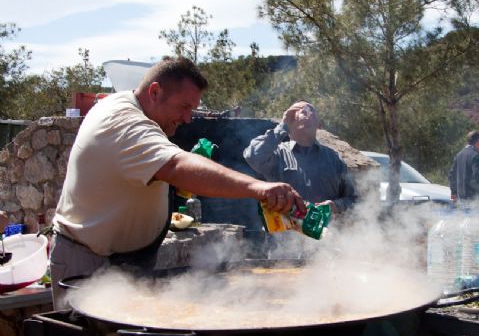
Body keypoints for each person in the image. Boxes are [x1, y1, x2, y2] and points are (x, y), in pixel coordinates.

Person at [50, 56, 304, 310]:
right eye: (184, 106)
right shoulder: (123, 122)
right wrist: (257, 188)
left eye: (192, 108)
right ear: (155, 91)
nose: (188, 118)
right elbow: (176, 166)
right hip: (89, 263)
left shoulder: (134, 110)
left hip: (125, 262)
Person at [243, 101, 356, 217]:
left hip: (326, 233)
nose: (306, 114)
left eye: (311, 110)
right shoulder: (276, 155)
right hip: (284, 233)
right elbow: (252, 156)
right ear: (290, 122)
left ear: (319, 124)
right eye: (297, 112)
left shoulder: (334, 159)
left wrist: (336, 206)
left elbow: (354, 200)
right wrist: (282, 126)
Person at [448, 130, 479, 205]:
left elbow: (451, 176)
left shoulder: (459, 155)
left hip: (460, 200)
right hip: (474, 201)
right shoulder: (476, 156)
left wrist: (453, 196)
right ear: (478, 142)